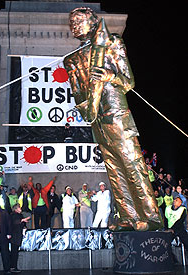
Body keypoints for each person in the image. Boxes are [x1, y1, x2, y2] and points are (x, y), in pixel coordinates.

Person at [64, 7, 162, 231]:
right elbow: (78, 93)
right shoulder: (72, 60)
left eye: (79, 21)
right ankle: (127, 217)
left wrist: (109, 76)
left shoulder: (111, 42)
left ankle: (150, 216)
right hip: (97, 120)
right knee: (114, 170)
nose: (75, 26)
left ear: (93, 21)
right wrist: (87, 109)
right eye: (72, 23)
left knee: (133, 164)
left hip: (117, 115)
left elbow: (128, 80)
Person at [10, 203, 30, 273]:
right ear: (16, 209)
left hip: (18, 235)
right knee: (14, 252)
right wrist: (22, 220)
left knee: (15, 252)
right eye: (19, 208)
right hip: (15, 235)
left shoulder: (20, 215)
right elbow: (14, 222)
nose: (20, 209)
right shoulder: (13, 215)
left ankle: (13, 266)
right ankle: (13, 267)